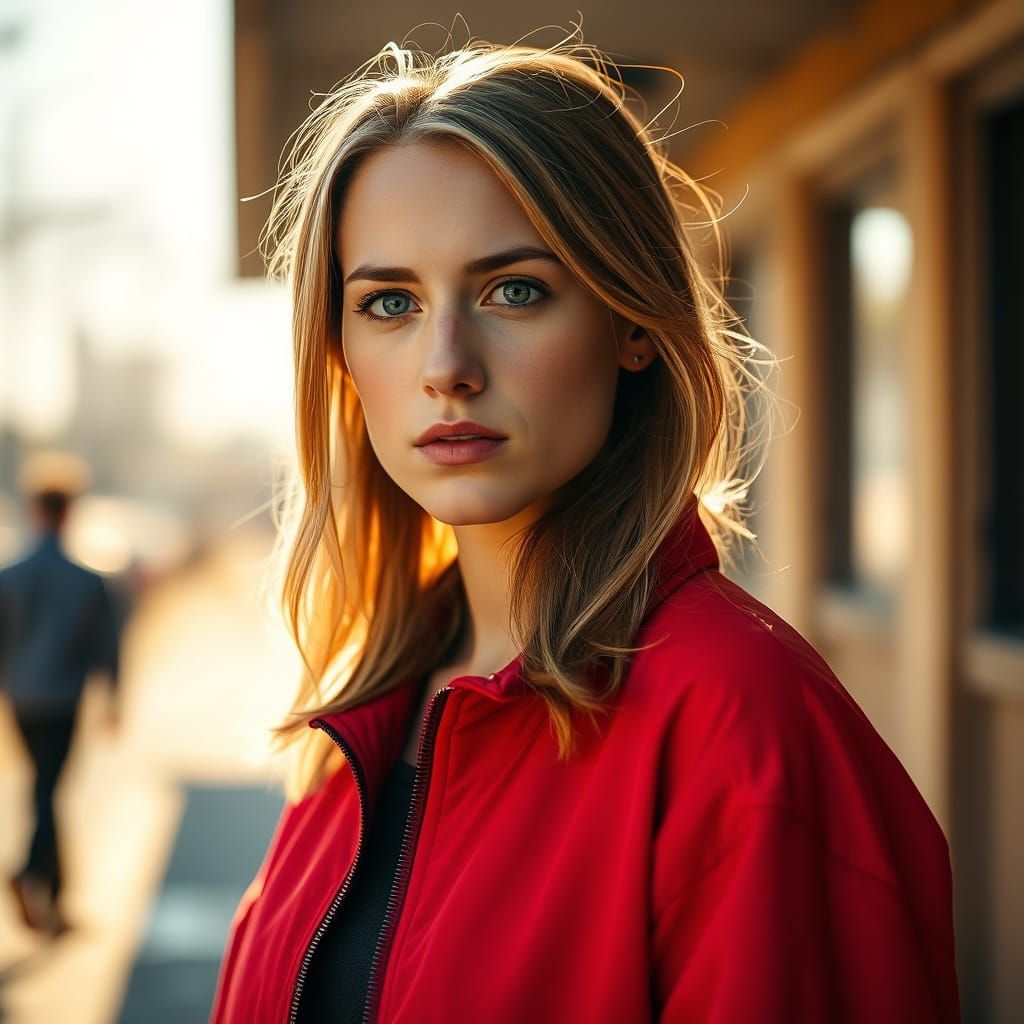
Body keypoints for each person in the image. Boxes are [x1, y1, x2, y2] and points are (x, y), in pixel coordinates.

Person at [210, 32, 961, 1023]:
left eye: (513, 289)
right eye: (388, 302)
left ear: (633, 321)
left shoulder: (743, 728)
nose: (445, 364)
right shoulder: (363, 714)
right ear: (339, 356)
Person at [0, 454, 121, 937]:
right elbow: (108, 646)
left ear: (34, 510)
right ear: (70, 512)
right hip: (64, 701)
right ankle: (30, 874)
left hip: (21, 701)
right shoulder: (87, 581)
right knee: (50, 791)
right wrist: (114, 699)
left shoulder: (9, 576)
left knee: (46, 791)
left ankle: (55, 902)